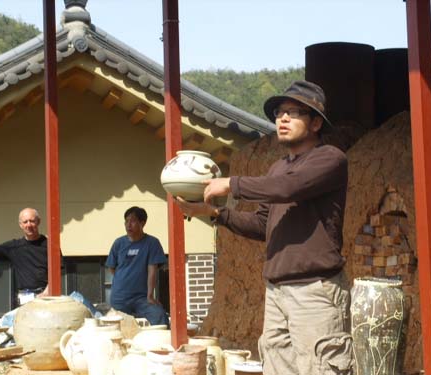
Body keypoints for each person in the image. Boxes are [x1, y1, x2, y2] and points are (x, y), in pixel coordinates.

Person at [176, 80, 353, 374]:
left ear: (316, 123)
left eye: (293, 112)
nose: (282, 118)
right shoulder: (278, 168)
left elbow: (289, 188)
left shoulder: (330, 159)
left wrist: (232, 184)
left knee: (322, 366)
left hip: (315, 291)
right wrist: (214, 213)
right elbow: (262, 224)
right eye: (279, 113)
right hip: (277, 292)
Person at [106, 206, 169, 326]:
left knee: (159, 315)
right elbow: (112, 267)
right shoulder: (118, 243)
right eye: (126, 221)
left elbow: (152, 271)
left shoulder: (152, 243)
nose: (128, 225)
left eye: (133, 221)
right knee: (117, 328)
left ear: (142, 223)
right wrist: (124, 279)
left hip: (141, 298)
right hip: (119, 298)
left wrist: (150, 296)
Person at [0, 205, 50, 306]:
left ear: (38, 221)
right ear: (20, 225)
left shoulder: (49, 244)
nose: (29, 225)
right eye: (25, 222)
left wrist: (46, 292)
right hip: (25, 298)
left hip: (46, 297)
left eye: (32, 221)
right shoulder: (15, 246)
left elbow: (57, 271)